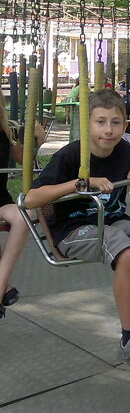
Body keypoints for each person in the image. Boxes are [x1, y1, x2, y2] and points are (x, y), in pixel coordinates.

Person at [24, 89, 130, 380]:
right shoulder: (71, 155)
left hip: (112, 220)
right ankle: (129, 339)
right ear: (87, 124)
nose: (109, 130)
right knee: (128, 254)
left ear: (124, 124)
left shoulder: (123, 150)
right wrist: (80, 183)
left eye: (116, 122)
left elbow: (129, 170)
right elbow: (31, 199)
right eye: (101, 122)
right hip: (74, 230)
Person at [0, 94, 45, 320]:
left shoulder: (5, 130)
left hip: (0, 200)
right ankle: (4, 288)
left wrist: (37, 139)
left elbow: (23, 158)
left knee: (24, 215)